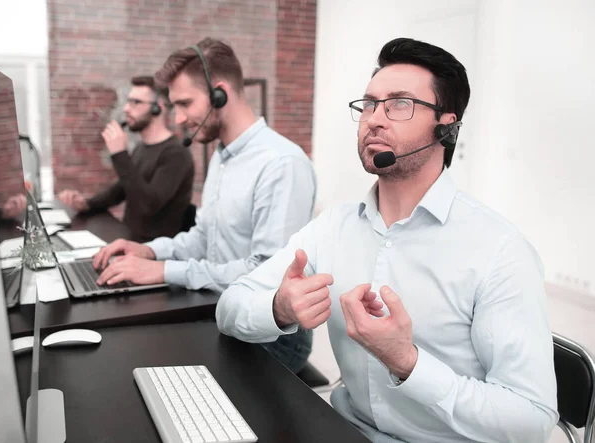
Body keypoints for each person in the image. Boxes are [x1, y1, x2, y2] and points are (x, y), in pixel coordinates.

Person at [215, 38, 558, 442]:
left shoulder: (499, 251)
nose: (374, 119)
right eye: (369, 104)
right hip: (344, 428)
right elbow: (230, 306)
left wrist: (407, 362)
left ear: (446, 127)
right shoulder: (335, 225)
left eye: (399, 104)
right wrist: (279, 308)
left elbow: (531, 420)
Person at [91, 38, 317, 374]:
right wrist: (148, 251)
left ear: (219, 93)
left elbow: (266, 275)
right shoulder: (222, 157)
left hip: (269, 337)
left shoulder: (281, 163)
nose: (178, 118)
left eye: (184, 104)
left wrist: (165, 271)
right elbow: (202, 237)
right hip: (221, 308)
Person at [58, 76, 194, 242]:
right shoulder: (141, 148)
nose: (126, 109)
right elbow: (121, 190)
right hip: (128, 239)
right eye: (128, 101)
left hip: (152, 251)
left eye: (135, 102)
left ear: (158, 108)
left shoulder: (176, 154)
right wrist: (87, 204)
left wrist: (120, 154)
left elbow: (148, 205)